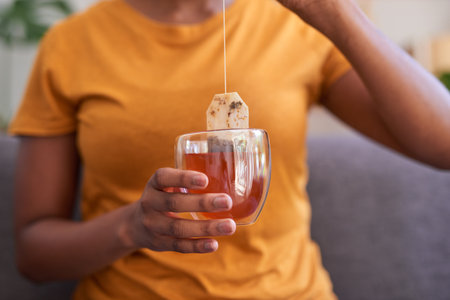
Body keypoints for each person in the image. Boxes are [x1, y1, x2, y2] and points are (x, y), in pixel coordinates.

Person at [9, 0, 450, 299]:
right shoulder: (70, 45)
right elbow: (34, 255)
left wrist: (339, 15)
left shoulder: (294, 24)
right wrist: (132, 228)